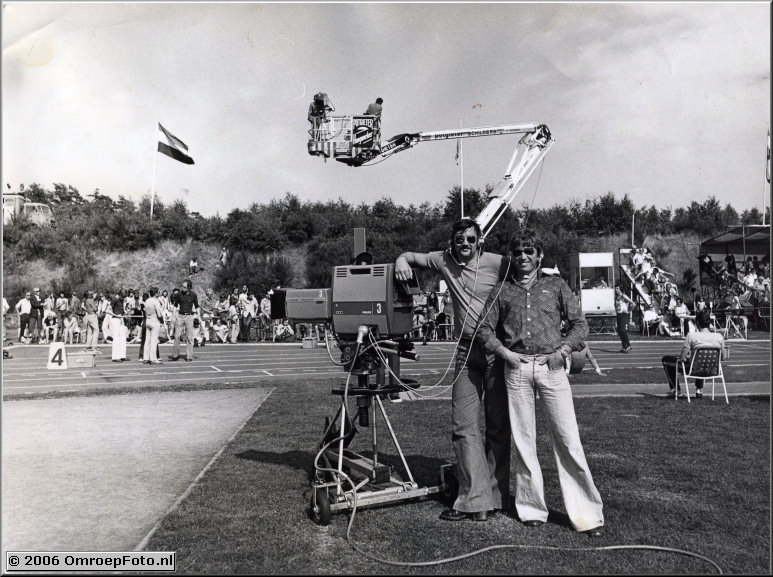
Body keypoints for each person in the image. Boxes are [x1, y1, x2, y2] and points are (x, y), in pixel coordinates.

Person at [476, 228, 604, 537]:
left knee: (567, 439)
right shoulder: (502, 290)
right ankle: (532, 508)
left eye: (529, 252)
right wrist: (504, 352)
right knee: (524, 440)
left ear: (539, 256)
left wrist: (562, 351)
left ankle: (587, 514)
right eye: (518, 252)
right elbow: (483, 329)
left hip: (551, 366)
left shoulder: (556, 285)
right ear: (512, 256)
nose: (523, 257)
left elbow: (579, 325)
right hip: (517, 368)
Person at [394, 218, 511, 522]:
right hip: (464, 352)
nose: (466, 245)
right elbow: (411, 256)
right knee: (463, 426)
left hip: (495, 351)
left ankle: (496, 497)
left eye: (471, 240)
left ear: (480, 241)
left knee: (498, 427)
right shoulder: (443, 260)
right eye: (460, 239)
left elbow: (530, 276)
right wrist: (400, 260)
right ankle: (475, 499)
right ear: (453, 242)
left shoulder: (498, 262)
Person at [661, 309, 725, 398]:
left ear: (697, 323)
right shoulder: (719, 336)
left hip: (693, 369)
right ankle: (699, 390)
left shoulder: (691, 336)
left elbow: (682, 358)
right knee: (702, 361)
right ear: (709, 322)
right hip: (712, 370)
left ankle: (677, 390)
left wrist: (689, 357)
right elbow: (723, 357)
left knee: (666, 360)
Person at [169, 279, 199, 362]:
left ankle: (189, 356)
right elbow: (175, 306)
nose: (183, 288)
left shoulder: (193, 295)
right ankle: (175, 355)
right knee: (177, 336)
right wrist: (173, 317)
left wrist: (199, 317)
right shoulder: (179, 295)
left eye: (185, 287)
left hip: (189, 316)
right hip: (180, 316)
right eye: (182, 286)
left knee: (189, 337)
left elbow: (197, 307)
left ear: (189, 287)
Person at [142, 287, 164, 364]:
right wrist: (162, 320)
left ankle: (145, 358)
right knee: (154, 341)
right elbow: (159, 314)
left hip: (148, 320)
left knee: (147, 340)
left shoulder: (147, 301)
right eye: (158, 292)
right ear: (155, 293)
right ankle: (153, 359)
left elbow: (145, 312)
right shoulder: (156, 301)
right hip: (154, 321)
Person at [107, 289, 128, 362]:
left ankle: (122, 355)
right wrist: (116, 315)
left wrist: (124, 312)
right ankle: (115, 357)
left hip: (121, 319)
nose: (124, 298)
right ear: (120, 294)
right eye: (123, 296)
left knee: (123, 337)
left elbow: (120, 308)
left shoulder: (121, 300)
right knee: (116, 338)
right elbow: (108, 310)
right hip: (115, 319)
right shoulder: (114, 299)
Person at [614, 286, 635, 353]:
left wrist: (629, 311)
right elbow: (616, 307)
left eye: (617, 288)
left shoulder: (624, 296)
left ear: (620, 289)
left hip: (624, 315)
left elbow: (633, 304)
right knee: (620, 331)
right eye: (615, 288)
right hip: (618, 315)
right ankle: (624, 346)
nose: (615, 289)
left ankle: (628, 345)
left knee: (623, 330)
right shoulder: (616, 297)